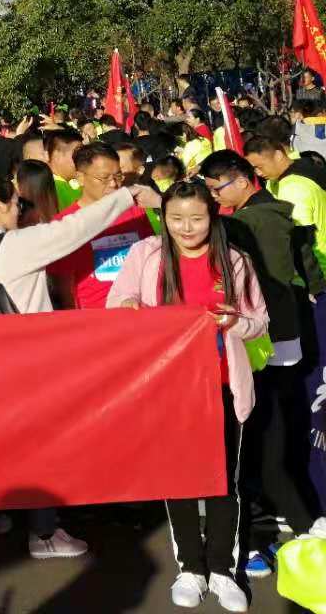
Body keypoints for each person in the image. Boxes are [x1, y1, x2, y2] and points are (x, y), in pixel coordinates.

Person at [0, 177, 149, 558]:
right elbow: (75, 229)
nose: (20, 210)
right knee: (40, 444)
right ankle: (44, 534)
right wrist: (126, 197)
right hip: (29, 366)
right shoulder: (20, 244)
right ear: (3, 207)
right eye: (16, 203)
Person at [107, 181, 267, 613]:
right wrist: (128, 308)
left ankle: (221, 569)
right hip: (167, 386)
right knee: (178, 478)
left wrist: (233, 323)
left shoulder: (234, 261)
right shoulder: (147, 255)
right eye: (176, 219)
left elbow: (258, 320)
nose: (186, 227)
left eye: (196, 218)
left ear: (212, 216)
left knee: (222, 482)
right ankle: (190, 569)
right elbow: (118, 298)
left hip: (220, 384)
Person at [200, 150, 326, 571]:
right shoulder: (259, 215)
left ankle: (275, 533)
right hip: (267, 349)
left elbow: (271, 287)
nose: (215, 200)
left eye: (217, 189)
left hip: (265, 349)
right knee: (266, 444)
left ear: (240, 179)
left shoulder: (258, 220)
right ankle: (289, 524)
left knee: (262, 447)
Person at [51, 143, 158, 310]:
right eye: (104, 178)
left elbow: (151, 259)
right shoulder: (65, 223)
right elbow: (63, 285)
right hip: (94, 318)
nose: (114, 184)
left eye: (118, 176)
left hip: (137, 311)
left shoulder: (135, 211)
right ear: (80, 178)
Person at [245, 132, 326, 276]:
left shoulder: (292, 187)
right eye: (254, 169)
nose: (257, 173)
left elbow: (301, 238)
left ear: (278, 155)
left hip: (319, 267)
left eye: (259, 166)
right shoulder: (305, 164)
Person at [45, 128, 84, 210]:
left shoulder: (73, 182)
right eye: (78, 153)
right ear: (57, 155)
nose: (83, 159)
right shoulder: (51, 188)